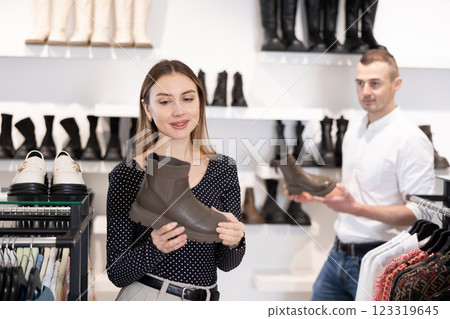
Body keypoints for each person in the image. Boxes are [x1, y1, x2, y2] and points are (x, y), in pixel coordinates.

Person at [286, 49, 435, 301]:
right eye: (360, 83)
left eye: (375, 83)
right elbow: (355, 192)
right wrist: (314, 196)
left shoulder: (411, 140)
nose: (365, 91)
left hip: (381, 259)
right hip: (338, 254)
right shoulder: (355, 130)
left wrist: (355, 209)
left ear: (396, 84)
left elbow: (419, 214)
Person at [106, 60, 246, 301]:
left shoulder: (223, 169)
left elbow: (227, 264)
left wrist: (236, 240)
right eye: (164, 101)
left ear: (200, 103)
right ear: (147, 109)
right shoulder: (129, 173)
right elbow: (116, 273)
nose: (179, 111)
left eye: (188, 98)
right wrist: (154, 248)